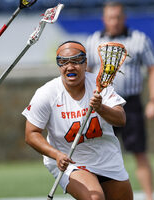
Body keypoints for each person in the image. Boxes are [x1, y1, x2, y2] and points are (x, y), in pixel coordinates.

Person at [22, 41, 133, 200]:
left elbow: (121, 119)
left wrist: (101, 108)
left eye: (76, 61)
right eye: (63, 62)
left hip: (106, 157)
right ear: (58, 65)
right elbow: (31, 134)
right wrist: (57, 155)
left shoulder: (99, 84)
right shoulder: (46, 93)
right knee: (95, 198)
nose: (70, 66)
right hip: (70, 161)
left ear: (85, 62)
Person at [85, 2, 154, 200]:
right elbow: (85, 74)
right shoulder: (93, 41)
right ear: (104, 19)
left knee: (139, 152)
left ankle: (150, 197)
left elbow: (153, 70)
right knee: (97, 153)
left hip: (131, 104)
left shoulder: (139, 39)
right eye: (111, 17)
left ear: (124, 18)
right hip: (103, 105)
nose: (115, 21)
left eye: (118, 17)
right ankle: (96, 194)